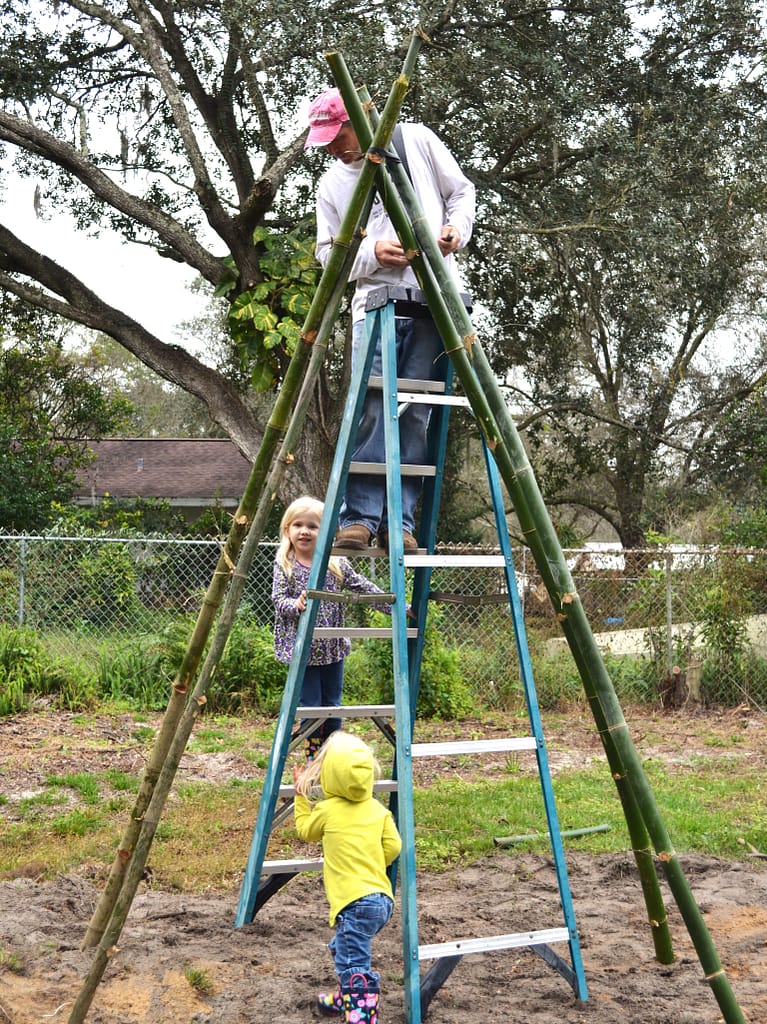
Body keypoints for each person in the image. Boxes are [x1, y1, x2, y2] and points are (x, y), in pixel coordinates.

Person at [305, 87, 476, 553]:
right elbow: (326, 255)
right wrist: (371, 252)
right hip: (373, 305)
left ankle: (399, 522)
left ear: (360, 118)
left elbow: (461, 191)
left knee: (416, 412)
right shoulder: (332, 185)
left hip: (432, 298)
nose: (332, 147)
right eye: (324, 139)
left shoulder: (414, 141)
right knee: (372, 407)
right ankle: (359, 518)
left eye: (336, 134)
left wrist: (453, 231)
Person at [292, 730, 401, 1023]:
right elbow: (394, 846)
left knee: (353, 960)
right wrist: (374, 864)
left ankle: (362, 1015)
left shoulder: (327, 810)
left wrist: (301, 797)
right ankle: (346, 998)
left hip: (353, 903)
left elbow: (304, 831)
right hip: (381, 901)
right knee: (343, 948)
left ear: (331, 775)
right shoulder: (378, 810)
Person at [272, 496, 391, 760]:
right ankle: (314, 758)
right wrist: (297, 603)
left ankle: (332, 757)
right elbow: (279, 600)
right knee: (313, 708)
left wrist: (393, 606)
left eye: (313, 527)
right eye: (298, 525)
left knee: (333, 707)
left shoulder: (335, 563)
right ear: (287, 529)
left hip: (332, 648)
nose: (304, 531)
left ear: (326, 531)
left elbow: (362, 586)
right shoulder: (285, 564)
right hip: (303, 652)